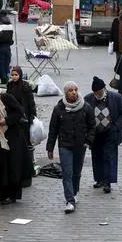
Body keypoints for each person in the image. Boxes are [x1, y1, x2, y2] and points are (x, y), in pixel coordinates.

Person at [47, 81, 96, 214]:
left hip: (80, 145)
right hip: (65, 145)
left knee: (76, 172)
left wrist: (89, 141)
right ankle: (70, 200)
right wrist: (50, 148)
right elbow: (53, 129)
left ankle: (74, 192)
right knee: (67, 173)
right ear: (66, 93)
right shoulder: (59, 109)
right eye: (70, 90)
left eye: (75, 89)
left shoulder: (86, 107)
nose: (73, 92)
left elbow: (92, 125)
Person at [84, 76, 122, 194]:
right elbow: (85, 116)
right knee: (96, 156)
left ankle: (107, 182)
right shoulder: (88, 99)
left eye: (99, 92)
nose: (97, 94)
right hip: (96, 133)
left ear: (104, 89)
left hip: (110, 132)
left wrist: (116, 126)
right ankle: (99, 179)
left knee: (109, 156)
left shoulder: (116, 98)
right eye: (95, 93)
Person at [0, 14, 14, 84]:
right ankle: (7, 78)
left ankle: (3, 80)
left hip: (1, 48)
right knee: (7, 64)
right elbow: (11, 40)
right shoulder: (11, 26)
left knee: (1, 64)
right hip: (8, 48)